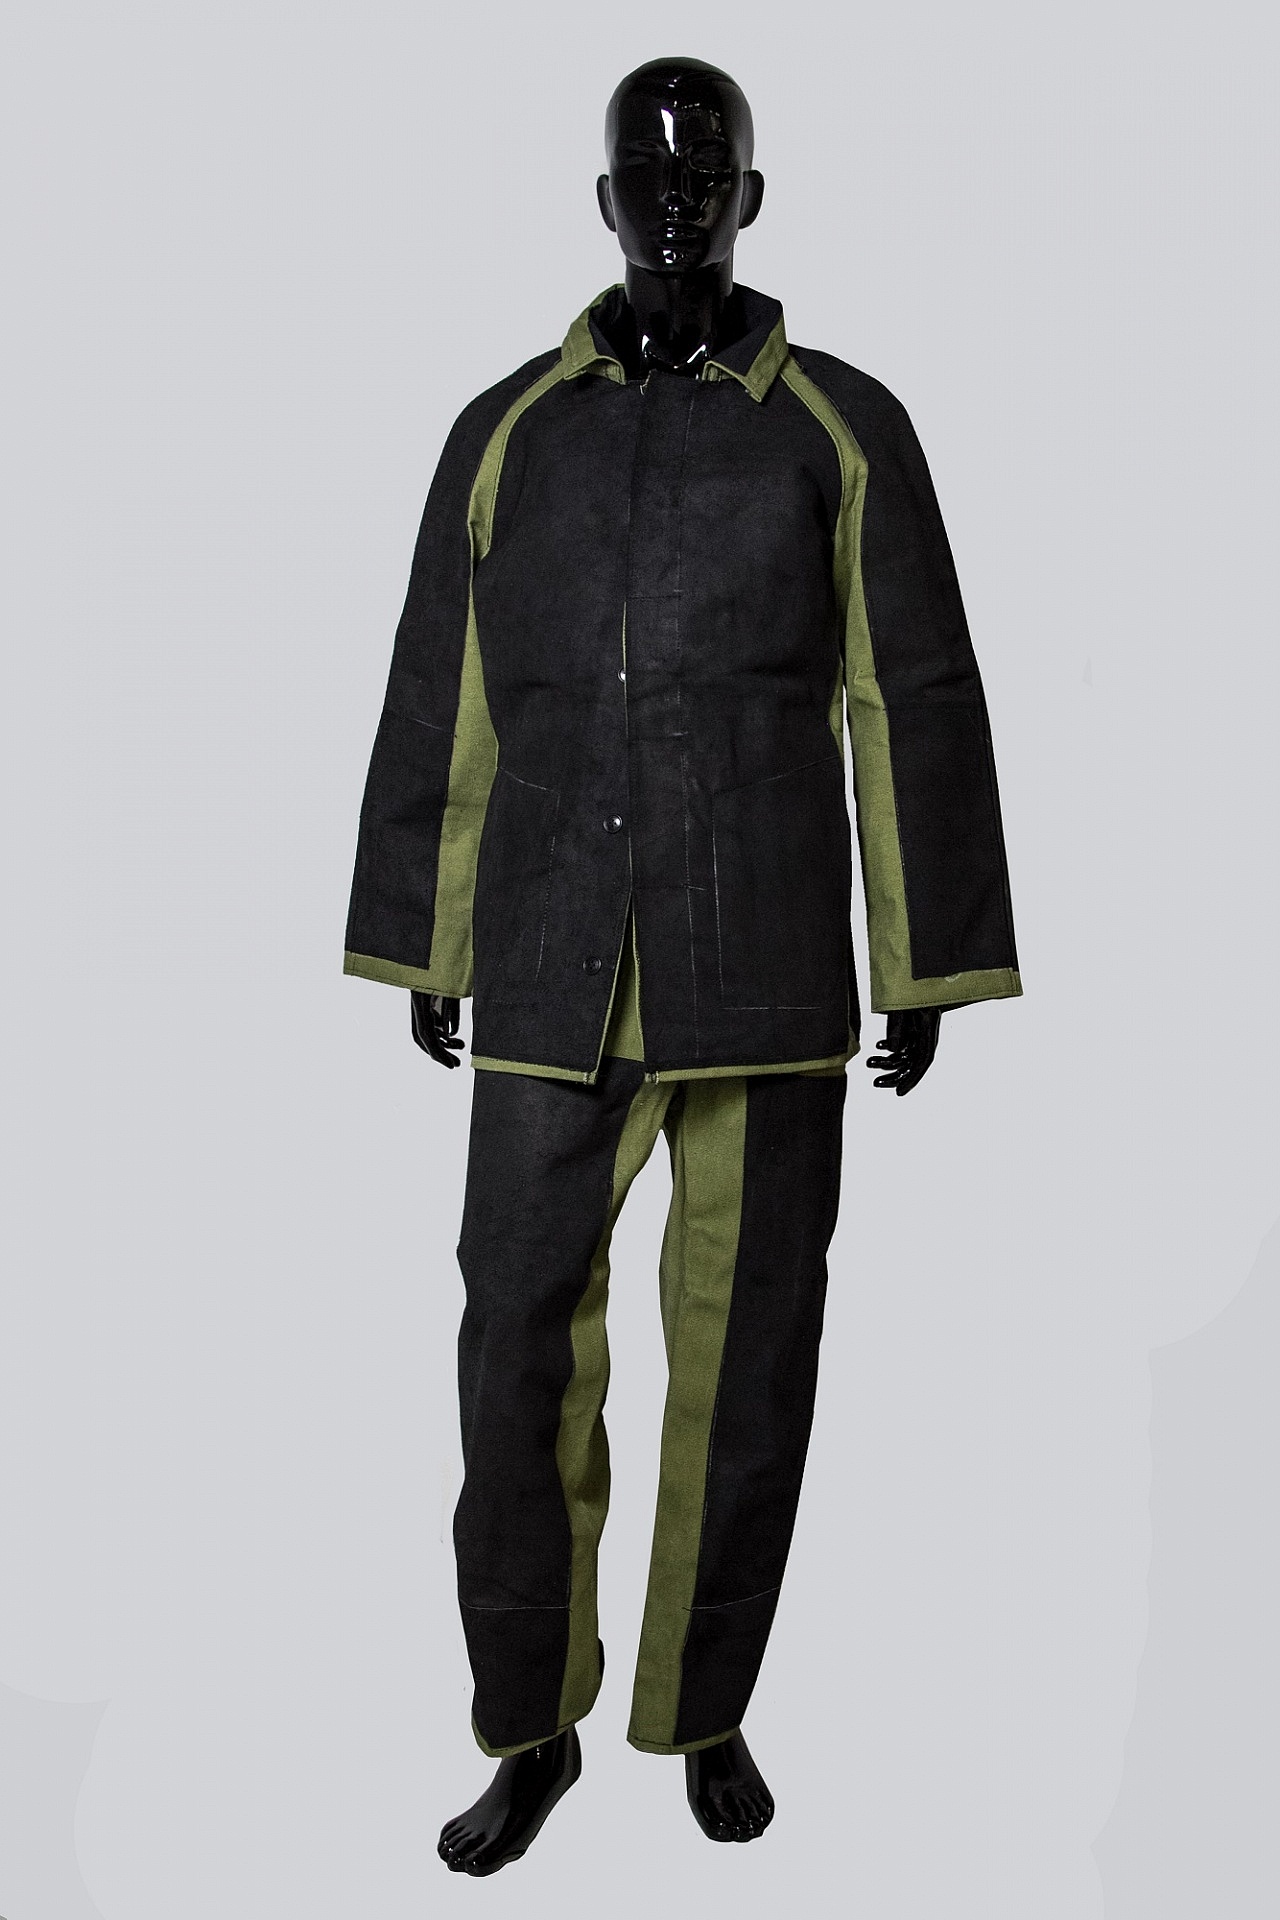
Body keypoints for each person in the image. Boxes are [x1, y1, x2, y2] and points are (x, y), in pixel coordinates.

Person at [343, 55, 1020, 1876]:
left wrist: (922, 966)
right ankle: (529, 1724)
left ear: (753, 200)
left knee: (751, 1362)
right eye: (647, 177)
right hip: (545, 963)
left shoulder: (839, 427)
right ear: (602, 204)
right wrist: (429, 935)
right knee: (512, 1360)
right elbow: (445, 688)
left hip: (768, 974)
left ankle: (705, 1708)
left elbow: (910, 692)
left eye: (707, 173)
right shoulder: (508, 431)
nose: (676, 200)